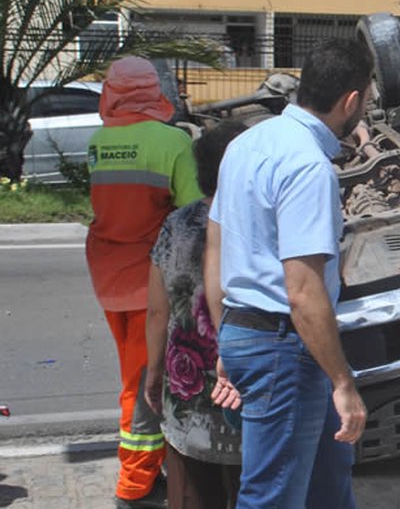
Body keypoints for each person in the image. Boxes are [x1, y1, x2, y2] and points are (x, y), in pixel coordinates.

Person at [205, 39, 371, 509]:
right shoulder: (308, 166)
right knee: (271, 497)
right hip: (285, 349)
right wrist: (343, 383)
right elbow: (302, 290)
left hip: (254, 334)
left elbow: (216, 249)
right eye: (367, 98)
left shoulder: (246, 143)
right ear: (351, 101)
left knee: (328, 485)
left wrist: (227, 336)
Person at [86, 57, 205, 508]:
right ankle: (134, 486)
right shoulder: (172, 141)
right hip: (148, 280)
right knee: (143, 383)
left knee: (131, 372)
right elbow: (192, 213)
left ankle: (146, 469)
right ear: (152, 91)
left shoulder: (98, 142)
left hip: (108, 275)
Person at [145, 121, 247, 509]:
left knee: (192, 493)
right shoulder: (259, 225)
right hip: (244, 385)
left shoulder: (177, 225)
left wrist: (154, 372)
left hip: (187, 389)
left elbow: (158, 310)